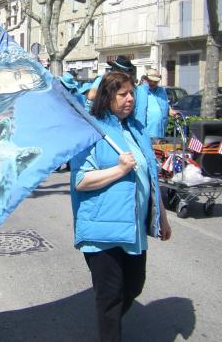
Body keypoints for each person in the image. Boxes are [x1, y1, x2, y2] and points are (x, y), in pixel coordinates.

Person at [70, 72, 172, 342]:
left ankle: (110, 323)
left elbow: (150, 173)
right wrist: (119, 169)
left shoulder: (136, 129)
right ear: (108, 97)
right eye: (122, 94)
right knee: (110, 299)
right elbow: (80, 180)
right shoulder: (91, 130)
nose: (129, 99)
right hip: (102, 230)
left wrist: (162, 217)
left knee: (134, 286)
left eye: (131, 94)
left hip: (133, 228)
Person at [135, 68, 177, 140]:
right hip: (146, 132)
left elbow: (165, 104)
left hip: (160, 131)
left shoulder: (162, 91)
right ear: (146, 79)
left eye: (155, 81)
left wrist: (170, 110)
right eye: (151, 80)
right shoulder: (140, 90)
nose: (153, 83)